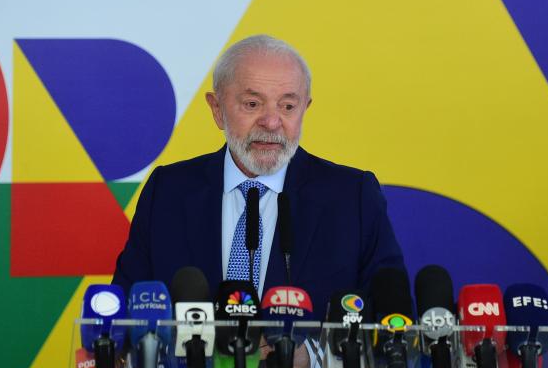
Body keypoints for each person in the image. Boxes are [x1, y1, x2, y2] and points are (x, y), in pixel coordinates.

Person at [112, 34, 405, 321]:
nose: (272, 122)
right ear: (217, 109)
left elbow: (394, 320)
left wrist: (309, 350)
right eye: (252, 104)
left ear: (304, 109)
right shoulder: (168, 192)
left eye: (287, 106)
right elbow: (124, 312)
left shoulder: (352, 198)